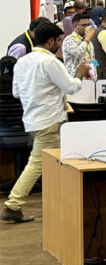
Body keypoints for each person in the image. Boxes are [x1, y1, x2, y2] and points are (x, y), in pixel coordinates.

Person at [5, 23, 91, 223]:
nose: (60, 45)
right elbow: (71, 88)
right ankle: (13, 204)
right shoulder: (50, 62)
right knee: (37, 164)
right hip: (50, 120)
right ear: (50, 41)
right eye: (59, 41)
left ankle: (62, 202)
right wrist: (79, 74)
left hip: (32, 120)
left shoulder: (22, 62)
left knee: (53, 163)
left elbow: (16, 92)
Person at [61, 13, 97, 78]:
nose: (87, 28)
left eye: (89, 25)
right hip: (74, 78)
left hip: (90, 78)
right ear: (75, 26)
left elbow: (93, 58)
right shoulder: (69, 40)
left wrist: (95, 73)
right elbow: (78, 53)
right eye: (84, 25)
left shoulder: (88, 41)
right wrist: (86, 40)